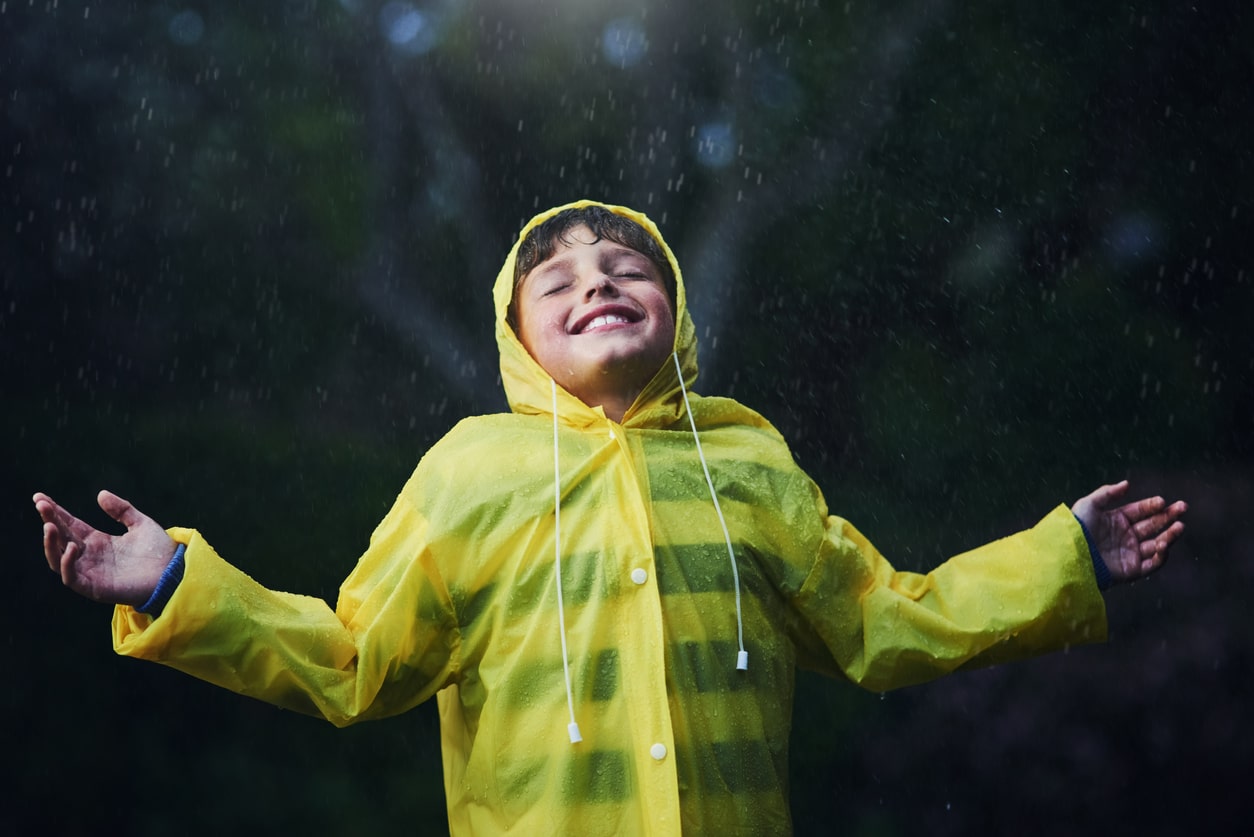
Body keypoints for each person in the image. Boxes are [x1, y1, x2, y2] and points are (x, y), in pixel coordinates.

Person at [35, 200, 1187, 835]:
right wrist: (174, 585)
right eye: (559, 279)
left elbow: (883, 620)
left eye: (627, 262)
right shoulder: (469, 472)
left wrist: (1063, 558)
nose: (596, 278)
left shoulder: (746, 457)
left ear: (675, 310)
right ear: (518, 340)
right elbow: (350, 659)